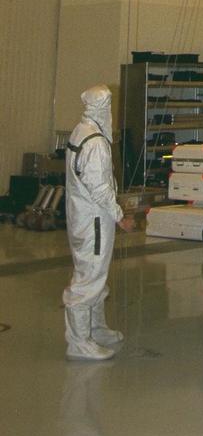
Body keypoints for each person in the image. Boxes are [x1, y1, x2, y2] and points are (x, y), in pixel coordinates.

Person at [63, 85, 136, 360]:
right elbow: (101, 189)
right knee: (88, 277)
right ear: (102, 108)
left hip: (84, 215)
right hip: (93, 218)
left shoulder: (81, 130)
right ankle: (79, 341)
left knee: (96, 273)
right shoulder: (95, 143)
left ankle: (95, 327)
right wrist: (120, 218)